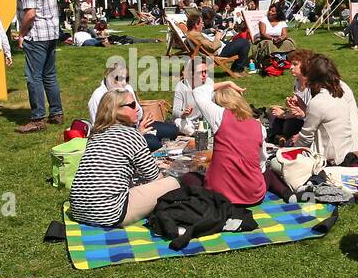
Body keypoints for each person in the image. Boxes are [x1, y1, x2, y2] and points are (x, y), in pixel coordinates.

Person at [68, 90, 181, 227]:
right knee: (173, 183)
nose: (137, 109)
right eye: (132, 105)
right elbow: (155, 177)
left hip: (78, 210)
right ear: (117, 110)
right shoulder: (131, 135)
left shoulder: (95, 135)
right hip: (109, 213)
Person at [186, 80, 274, 205]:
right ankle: (287, 193)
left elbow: (198, 92)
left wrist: (227, 83)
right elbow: (261, 162)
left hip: (220, 195)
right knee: (268, 174)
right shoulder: (259, 127)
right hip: (252, 196)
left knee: (189, 177)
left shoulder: (219, 114)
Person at [13, 0, 64, 133]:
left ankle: (37, 118)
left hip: (36, 35)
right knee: (49, 75)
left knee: (33, 77)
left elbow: (30, 14)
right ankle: (56, 112)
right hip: (51, 33)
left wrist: (21, 34)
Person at [88, 57, 179, 148]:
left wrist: (141, 119)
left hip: (136, 126)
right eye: (118, 78)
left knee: (173, 130)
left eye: (126, 79)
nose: (123, 83)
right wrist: (136, 132)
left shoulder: (127, 88)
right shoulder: (98, 97)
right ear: (107, 75)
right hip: (118, 139)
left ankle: (149, 139)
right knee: (153, 143)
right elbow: (99, 129)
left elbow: (139, 114)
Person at [292, 55, 358, 164]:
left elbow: (305, 138)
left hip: (330, 159)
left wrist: (291, 150)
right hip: (347, 150)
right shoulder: (338, 95)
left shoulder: (319, 101)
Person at [267, 49, 314, 144]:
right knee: (272, 110)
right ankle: (280, 137)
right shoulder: (297, 81)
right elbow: (298, 104)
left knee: (288, 123)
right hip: (298, 115)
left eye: (295, 64)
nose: (290, 67)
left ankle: (280, 136)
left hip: (306, 121)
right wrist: (291, 102)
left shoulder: (311, 87)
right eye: (291, 64)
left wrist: (285, 115)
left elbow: (310, 115)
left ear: (305, 65)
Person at [185, 13, 250, 75]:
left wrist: (211, 32)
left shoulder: (191, 33)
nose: (203, 24)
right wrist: (217, 37)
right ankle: (237, 69)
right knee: (244, 43)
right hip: (220, 51)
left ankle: (236, 67)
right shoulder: (195, 35)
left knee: (239, 41)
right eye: (201, 23)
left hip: (221, 46)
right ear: (196, 24)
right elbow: (212, 48)